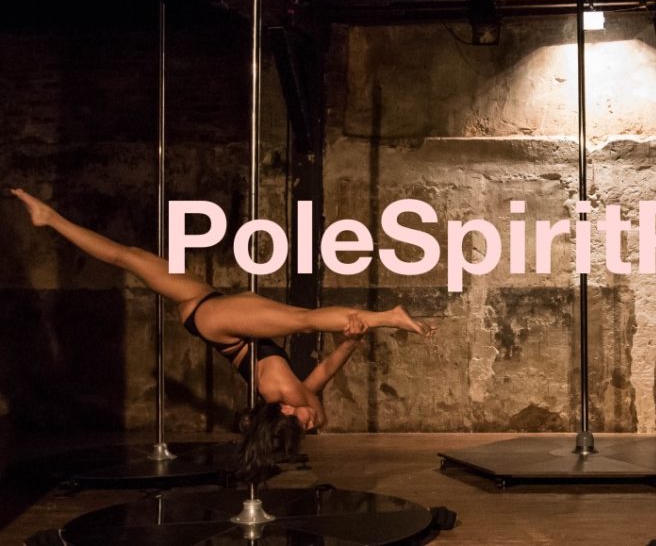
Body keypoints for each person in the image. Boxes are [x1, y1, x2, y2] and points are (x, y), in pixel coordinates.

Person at [11, 187, 435, 482]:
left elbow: (309, 355)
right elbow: (324, 372)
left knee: (304, 320)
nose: (310, 420)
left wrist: (359, 328)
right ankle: (50, 218)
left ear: (284, 410)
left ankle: (389, 316)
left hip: (222, 324)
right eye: (308, 425)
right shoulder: (305, 406)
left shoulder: (281, 393)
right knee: (129, 257)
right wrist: (351, 342)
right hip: (206, 313)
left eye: (301, 421)